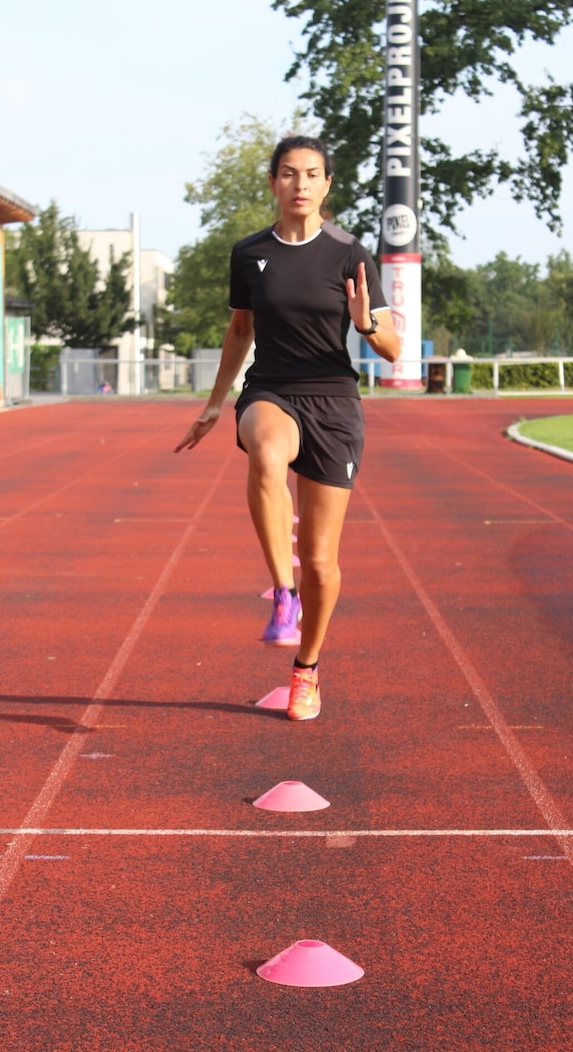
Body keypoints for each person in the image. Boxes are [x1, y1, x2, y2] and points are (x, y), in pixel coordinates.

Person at [174, 135, 401, 721]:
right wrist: (214, 402)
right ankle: (283, 595)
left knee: (322, 560)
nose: (300, 184)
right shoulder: (249, 254)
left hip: (334, 400)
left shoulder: (350, 254)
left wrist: (366, 323)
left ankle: (307, 670)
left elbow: (394, 349)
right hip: (271, 388)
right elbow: (239, 332)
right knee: (266, 455)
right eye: (288, 174)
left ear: (327, 185)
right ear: (273, 183)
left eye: (312, 174)